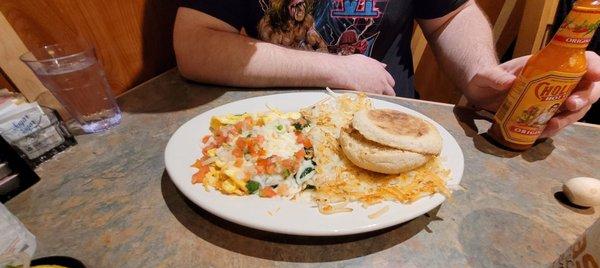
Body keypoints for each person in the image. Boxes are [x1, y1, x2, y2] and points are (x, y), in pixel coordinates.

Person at [173, 0, 600, 138]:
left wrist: (482, 76)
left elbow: (451, 14)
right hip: (273, 133)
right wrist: (333, 69)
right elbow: (195, 42)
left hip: (393, 125)